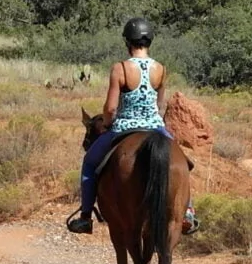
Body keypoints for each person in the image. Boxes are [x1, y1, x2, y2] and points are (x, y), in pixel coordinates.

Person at [68, 18, 200, 236]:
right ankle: (187, 212)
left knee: (89, 163)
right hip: (155, 127)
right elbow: (159, 104)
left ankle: (85, 217)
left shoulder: (120, 69)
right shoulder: (161, 69)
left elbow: (111, 108)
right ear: (150, 41)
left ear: (127, 41)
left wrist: (108, 123)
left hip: (125, 126)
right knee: (183, 163)